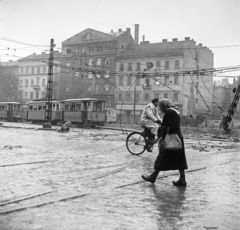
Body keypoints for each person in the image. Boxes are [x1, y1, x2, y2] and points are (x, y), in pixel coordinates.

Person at [141, 98, 188, 187]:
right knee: (179, 159)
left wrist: (162, 130)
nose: (159, 108)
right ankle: (182, 179)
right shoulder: (174, 111)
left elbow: (172, 127)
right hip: (177, 137)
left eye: (160, 106)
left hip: (172, 138)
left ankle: (153, 176)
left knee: (162, 157)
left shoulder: (170, 112)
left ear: (163, 106)